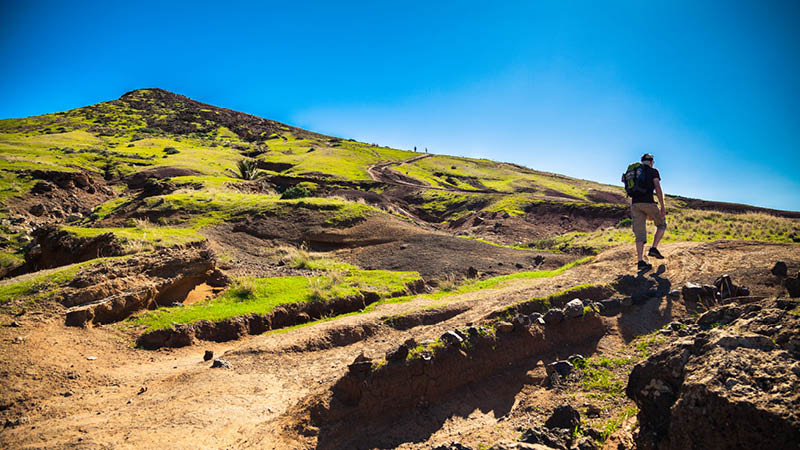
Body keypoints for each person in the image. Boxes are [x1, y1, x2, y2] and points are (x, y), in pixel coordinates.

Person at [631, 153, 666, 271]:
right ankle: (653, 248)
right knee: (661, 224)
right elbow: (658, 188)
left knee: (640, 234)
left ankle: (640, 261)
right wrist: (662, 206)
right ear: (651, 161)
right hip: (648, 202)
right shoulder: (653, 171)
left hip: (635, 205)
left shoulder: (635, 172)